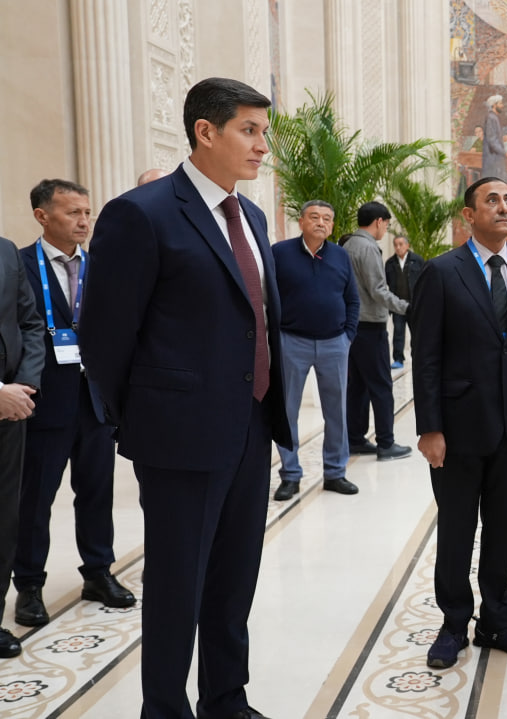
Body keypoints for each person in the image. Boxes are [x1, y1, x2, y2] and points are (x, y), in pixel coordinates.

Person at [79, 76, 294, 719]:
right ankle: (165, 709)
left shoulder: (251, 216)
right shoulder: (142, 213)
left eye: (264, 132)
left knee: (233, 581)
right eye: (249, 131)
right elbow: (105, 336)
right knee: (177, 587)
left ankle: (226, 699)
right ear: (206, 131)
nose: (262, 146)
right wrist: (147, 417)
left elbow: (257, 318)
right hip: (178, 436)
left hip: (251, 425)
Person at [411, 177, 507, 669]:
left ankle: (497, 621)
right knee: (457, 530)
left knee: (502, 529)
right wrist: (430, 427)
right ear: (468, 215)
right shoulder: (441, 272)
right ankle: (454, 623)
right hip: (457, 428)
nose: (503, 207)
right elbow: (426, 356)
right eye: (491, 200)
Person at [13, 180, 135, 631]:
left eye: (87, 212)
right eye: (73, 213)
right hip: (44, 402)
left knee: (97, 493)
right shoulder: (19, 265)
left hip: (95, 401)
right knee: (35, 501)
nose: (84, 221)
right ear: (42, 216)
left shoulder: (101, 266)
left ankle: (98, 573)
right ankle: (29, 585)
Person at [271, 200, 361, 501]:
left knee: (337, 412)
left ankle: (335, 472)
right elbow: (267, 295)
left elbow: (352, 299)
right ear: (301, 222)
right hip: (291, 342)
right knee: (287, 411)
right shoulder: (280, 253)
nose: (321, 222)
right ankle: (290, 474)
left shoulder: (341, 256)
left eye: (326, 218)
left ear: (332, 226)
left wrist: (347, 337)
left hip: (334, 343)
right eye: (314, 217)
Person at [0, 233, 45, 660]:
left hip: (11, 412)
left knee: (4, 518)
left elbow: (30, 323)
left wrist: (24, 385)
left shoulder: (6, 251)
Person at [345, 202, 412, 462]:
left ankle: (355, 438)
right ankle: (386, 443)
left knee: (358, 386)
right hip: (371, 328)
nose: (385, 230)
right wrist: (406, 308)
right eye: (386, 224)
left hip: (352, 326)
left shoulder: (348, 244)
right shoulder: (368, 247)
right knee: (382, 386)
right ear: (378, 222)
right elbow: (378, 290)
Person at [385, 235, 426, 368]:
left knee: (417, 332)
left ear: (407, 245)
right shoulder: (390, 263)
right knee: (398, 332)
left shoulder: (417, 260)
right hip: (397, 305)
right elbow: (387, 281)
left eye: (401, 244)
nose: (398, 247)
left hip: (414, 304)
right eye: (395, 245)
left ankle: (418, 358)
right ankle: (398, 359)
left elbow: (424, 280)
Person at [482, 94, 507, 181]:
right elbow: (492, 140)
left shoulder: (494, 117)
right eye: (500, 103)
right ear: (494, 105)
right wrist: (503, 152)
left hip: (495, 156)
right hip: (492, 157)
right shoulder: (491, 118)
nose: (502, 105)